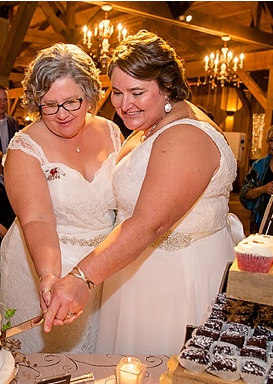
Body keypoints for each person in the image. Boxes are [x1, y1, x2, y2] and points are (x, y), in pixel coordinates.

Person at [45, 31, 237, 357]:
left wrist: (81, 277)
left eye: (137, 92)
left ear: (168, 86)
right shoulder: (151, 125)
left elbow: (149, 223)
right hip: (137, 270)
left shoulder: (185, 137)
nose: (124, 104)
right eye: (117, 92)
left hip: (176, 280)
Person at [0, 44, 122, 353]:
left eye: (71, 102)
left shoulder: (111, 131)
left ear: (90, 95)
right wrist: (50, 275)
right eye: (49, 105)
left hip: (101, 266)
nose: (62, 114)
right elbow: (37, 219)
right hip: (45, 262)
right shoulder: (25, 148)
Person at [239, 122, 273, 233]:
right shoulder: (259, 165)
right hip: (261, 221)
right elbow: (244, 194)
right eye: (272, 140)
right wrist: (263, 189)